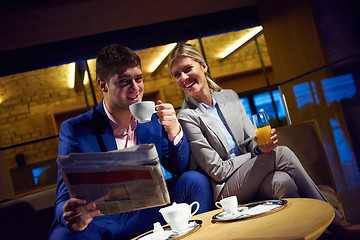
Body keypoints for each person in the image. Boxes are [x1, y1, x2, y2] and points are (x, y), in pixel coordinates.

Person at [167, 43, 360, 239]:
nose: (183, 78)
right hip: (226, 188)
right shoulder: (187, 116)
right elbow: (217, 170)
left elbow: (252, 140)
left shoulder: (230, 97)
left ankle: (310, 235)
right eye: (176, 75)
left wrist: (260, 146)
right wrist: (256, 152)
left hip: (252, 174)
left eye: (187, 69)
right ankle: (336, 224)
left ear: (203, 66)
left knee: (282, 182)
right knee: (282, 153)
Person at [49, 44, 212, 240]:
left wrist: (174, 131)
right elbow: (63, 198)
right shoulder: (75, 129)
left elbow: (179, 167)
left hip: (147, 211)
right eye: (124, 81)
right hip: (101, 220)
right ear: (103, 85)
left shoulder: (152, 121)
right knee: (62, 236)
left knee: (195, 181)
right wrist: (69, 214)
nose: (135, 88)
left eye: (138, 79)